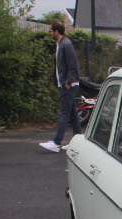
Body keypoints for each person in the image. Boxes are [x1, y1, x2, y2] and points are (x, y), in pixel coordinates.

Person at [40, 21, 82, 153]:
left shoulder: (66, 44)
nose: (49, 33)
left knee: (64, 113)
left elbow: (73, 64)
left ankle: (57, 142)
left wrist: (68, 82)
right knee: (73, 114)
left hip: (69, 84)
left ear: (56, 32)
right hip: (65, 83)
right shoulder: (60, 44)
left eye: (50, 31)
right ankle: (78, 142)